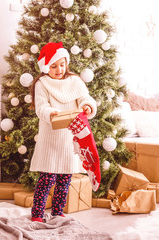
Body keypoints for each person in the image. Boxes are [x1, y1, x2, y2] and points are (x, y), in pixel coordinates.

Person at [29, 42, 97, 222]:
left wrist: (87, 106)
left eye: (62, 64)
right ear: (46, 67)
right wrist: (52, 113)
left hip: (69, 138)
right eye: (53, 66)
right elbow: (41, 107)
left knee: (65, 179)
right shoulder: (42, 84)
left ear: (66, 63)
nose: (59, 69)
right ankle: (37, 214)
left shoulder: (74, 81)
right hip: (51, 138)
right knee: (47, 178)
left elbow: (85, 98)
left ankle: (58, 212)